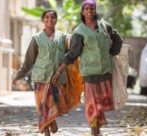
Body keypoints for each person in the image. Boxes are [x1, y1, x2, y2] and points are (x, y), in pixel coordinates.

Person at [52, 0, 123, 135]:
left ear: (95, 11)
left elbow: (118, 39)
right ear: (82, 12)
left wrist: (111, 53)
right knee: (92, 105)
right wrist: (58, 71)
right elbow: (72, 54)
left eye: (92, 8)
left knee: (100, 105)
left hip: (105, 72)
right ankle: (94, 131)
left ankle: (96, 129)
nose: (89, 11)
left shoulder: (104, 26)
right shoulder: (79, 32)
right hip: (89, 74)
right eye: (87, 9)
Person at [12, 9, 70, 136]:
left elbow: (71, 55)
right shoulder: (37, 38)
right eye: (47, 17)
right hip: (41, 78)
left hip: (57, 79)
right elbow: (28, 60)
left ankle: (52, 119)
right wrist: (18, 75)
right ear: (43, 20)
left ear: (56, 20)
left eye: (53, 17)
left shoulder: (63, 37)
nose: (50, 19)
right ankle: (46, 132)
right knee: (43, 107)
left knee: (54, 105)